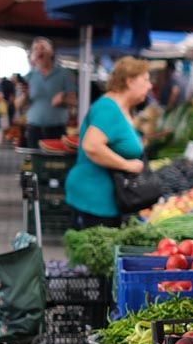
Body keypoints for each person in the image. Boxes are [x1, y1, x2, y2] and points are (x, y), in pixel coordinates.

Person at [64, 57, 150, 228]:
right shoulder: (108, 108)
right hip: (95, 198)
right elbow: (91, 146)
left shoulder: (122, 108)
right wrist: (127, 165)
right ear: (130, 81)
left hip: (107, 198)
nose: (150, 86)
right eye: (146, 80)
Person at [18, 38, 75, 148]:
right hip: (34, 130)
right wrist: (25, 95)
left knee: (55, 163)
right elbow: (17, 105)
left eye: (43, 48)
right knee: (35, 163)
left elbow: (74, 101)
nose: (39, 51)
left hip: (57, 130)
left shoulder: (64, 74)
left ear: (52, 52)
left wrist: (62, 99)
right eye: (36, 49)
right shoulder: (29, 76)